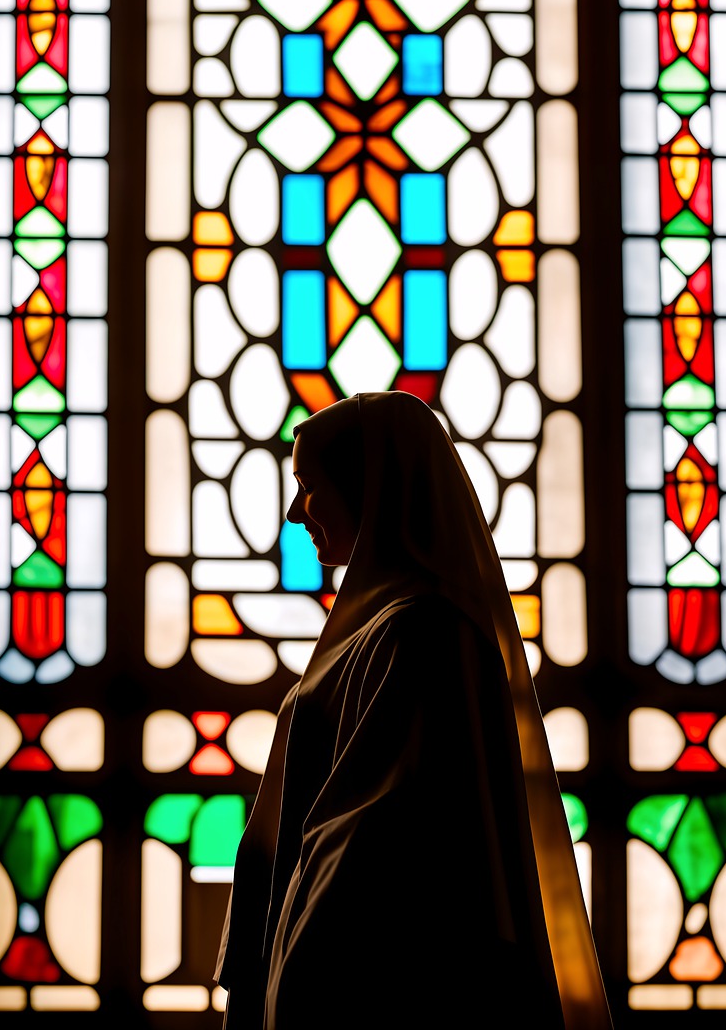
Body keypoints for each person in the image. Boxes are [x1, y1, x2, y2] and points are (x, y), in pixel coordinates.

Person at [214, 391, 613, 1029]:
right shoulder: (383, 630)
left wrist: (300, 988)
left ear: (372, 489)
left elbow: (374, 843)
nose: (295, 513)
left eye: (310, 487)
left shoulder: (421, 634)